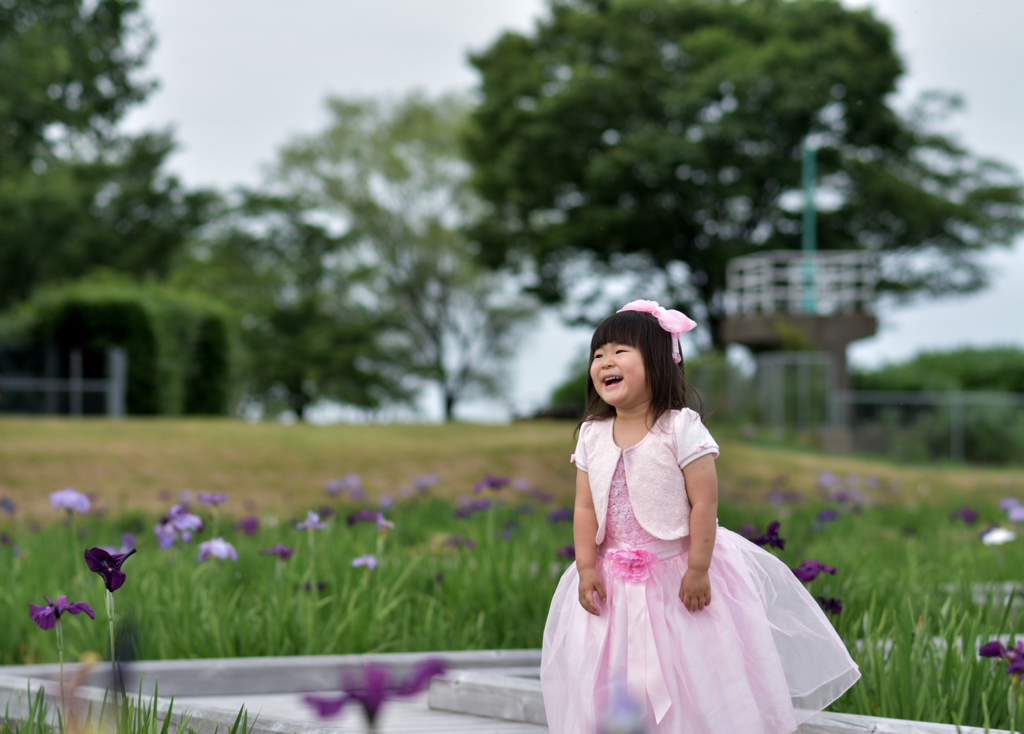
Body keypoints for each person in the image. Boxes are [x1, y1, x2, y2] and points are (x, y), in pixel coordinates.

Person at [540, 300, 860, 734]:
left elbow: (704, 503)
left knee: (689, 668)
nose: (605, 362)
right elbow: (584, 507)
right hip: (612, 578)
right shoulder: (592, 435)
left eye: (620, 352)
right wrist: (585, 566)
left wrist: (697, 567)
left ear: (657, 362)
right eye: (598, 355)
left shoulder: (680, 427)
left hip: (677, 573)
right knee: (612, 669)